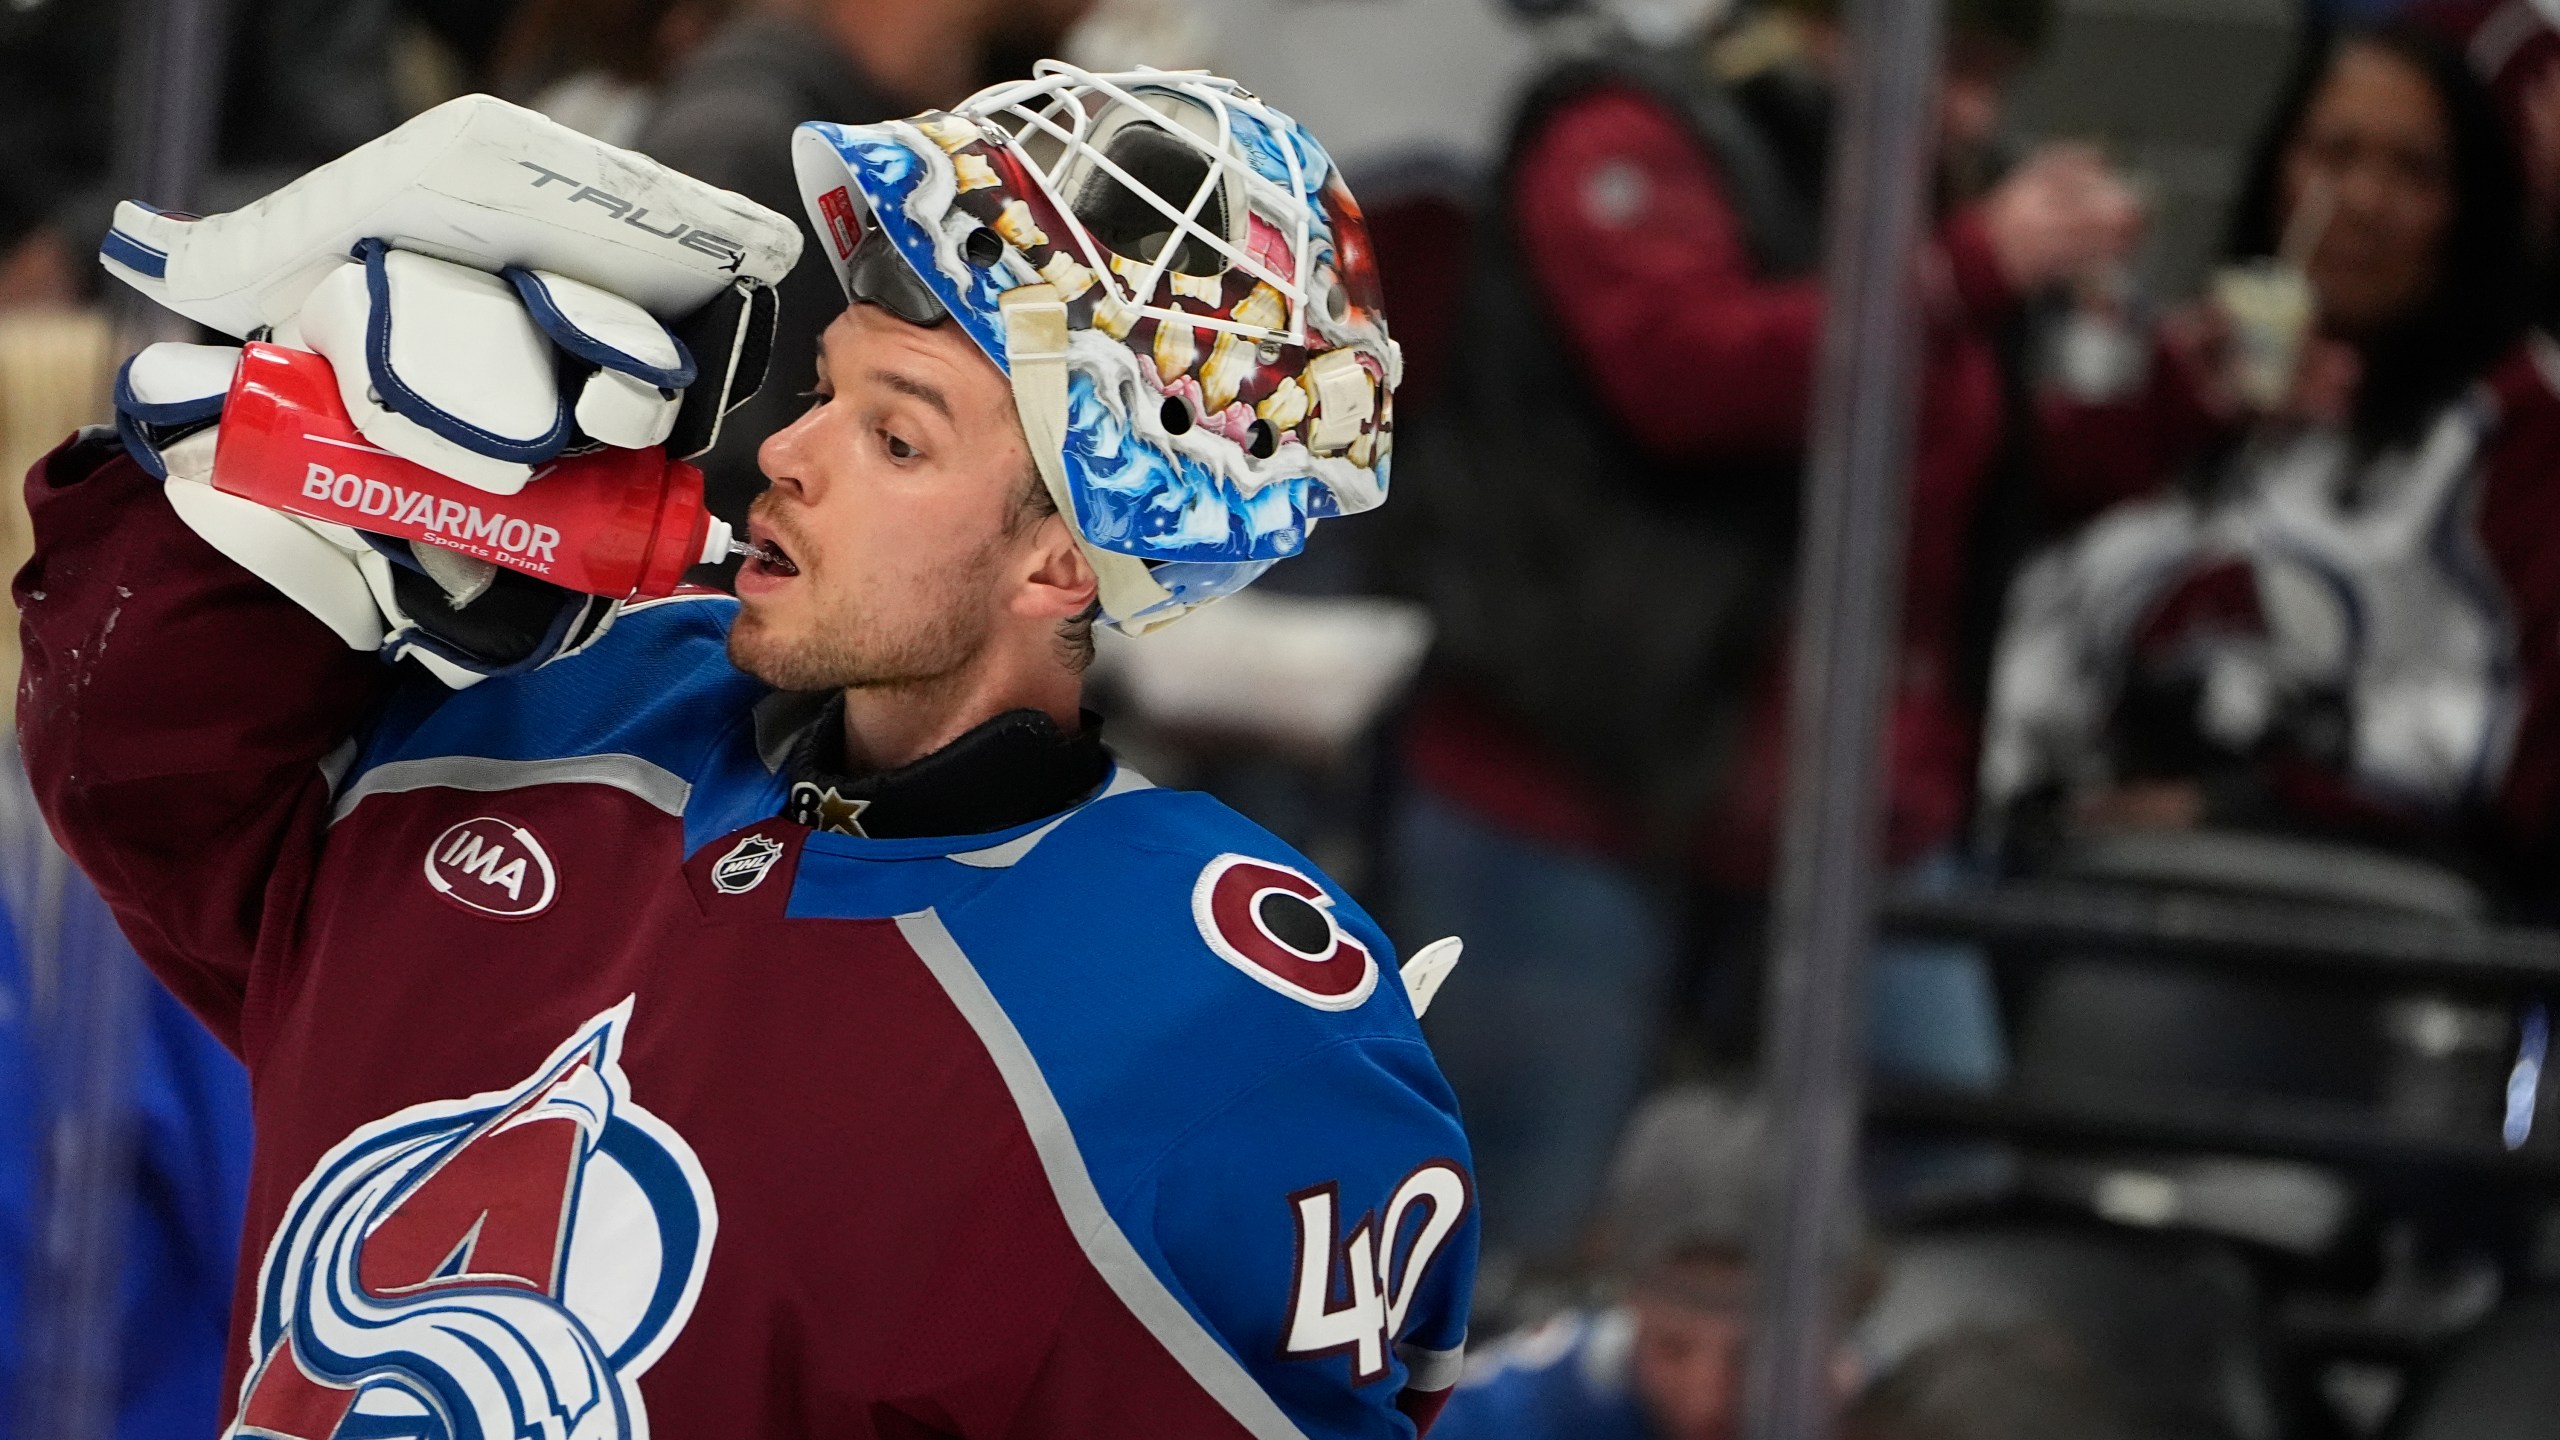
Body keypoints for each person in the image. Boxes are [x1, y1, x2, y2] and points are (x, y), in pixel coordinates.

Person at [26, 68, 1474, 1438]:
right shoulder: (566, 702)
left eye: (897, 441)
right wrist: (244, 527)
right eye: (828, 390)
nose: (791, 451)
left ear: (1064, 564)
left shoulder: (1205, 1030)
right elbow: (147, 798)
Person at [1388, 0, 2142, 1268]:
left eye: (1993, 79)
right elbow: (1680, 371)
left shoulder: (1910, 192)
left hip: (1842, 794)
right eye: (1950, 66)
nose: (1971, 114)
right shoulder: (1630, 127)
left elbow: (1964, 464)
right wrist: (1959, 271)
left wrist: (2180, 399)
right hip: (1576, 774)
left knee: (1948, 1220)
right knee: (1517, 1235)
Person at [1981, 22, 2553, 890]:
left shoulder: (2518, 424)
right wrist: (2171, 410)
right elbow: (2000, 560)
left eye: (2414, 171)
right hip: (2048, 871)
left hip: (2346, 913)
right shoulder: (2185, 391)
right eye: (2333, 153)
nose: (2361, 199)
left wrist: (2249, 800)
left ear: (2470, 206)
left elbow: (2513, 744)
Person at [639, 0, 1097, 524]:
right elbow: (693, 492)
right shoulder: (746, 144)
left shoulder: (888, 160)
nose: (1087, 13)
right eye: (897, 444)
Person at [1433, 1086, 1866, 1440]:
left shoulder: (1887, 1417)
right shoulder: (1494, 1418)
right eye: (1671, 1347)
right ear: (1627, 1302)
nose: (1706, 1399)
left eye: (1748, 1356)